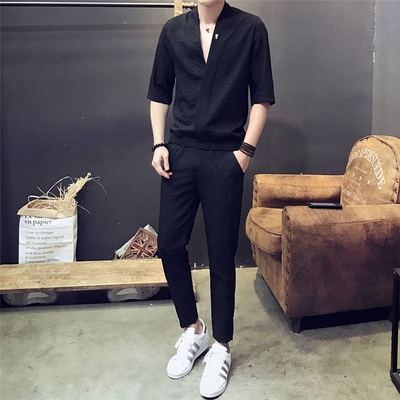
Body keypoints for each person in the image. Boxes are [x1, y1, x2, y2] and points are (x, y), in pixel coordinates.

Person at [148, 0, 275, 397]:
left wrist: (244, 154)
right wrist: (159, 144)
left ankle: (222, 345)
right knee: (170, 244)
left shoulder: (251, 28)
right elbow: (159, 93)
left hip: (225, 157)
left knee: (221, 255)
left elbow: (262, 97)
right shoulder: (173, 31)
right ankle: (195, 329)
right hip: (180, 153)